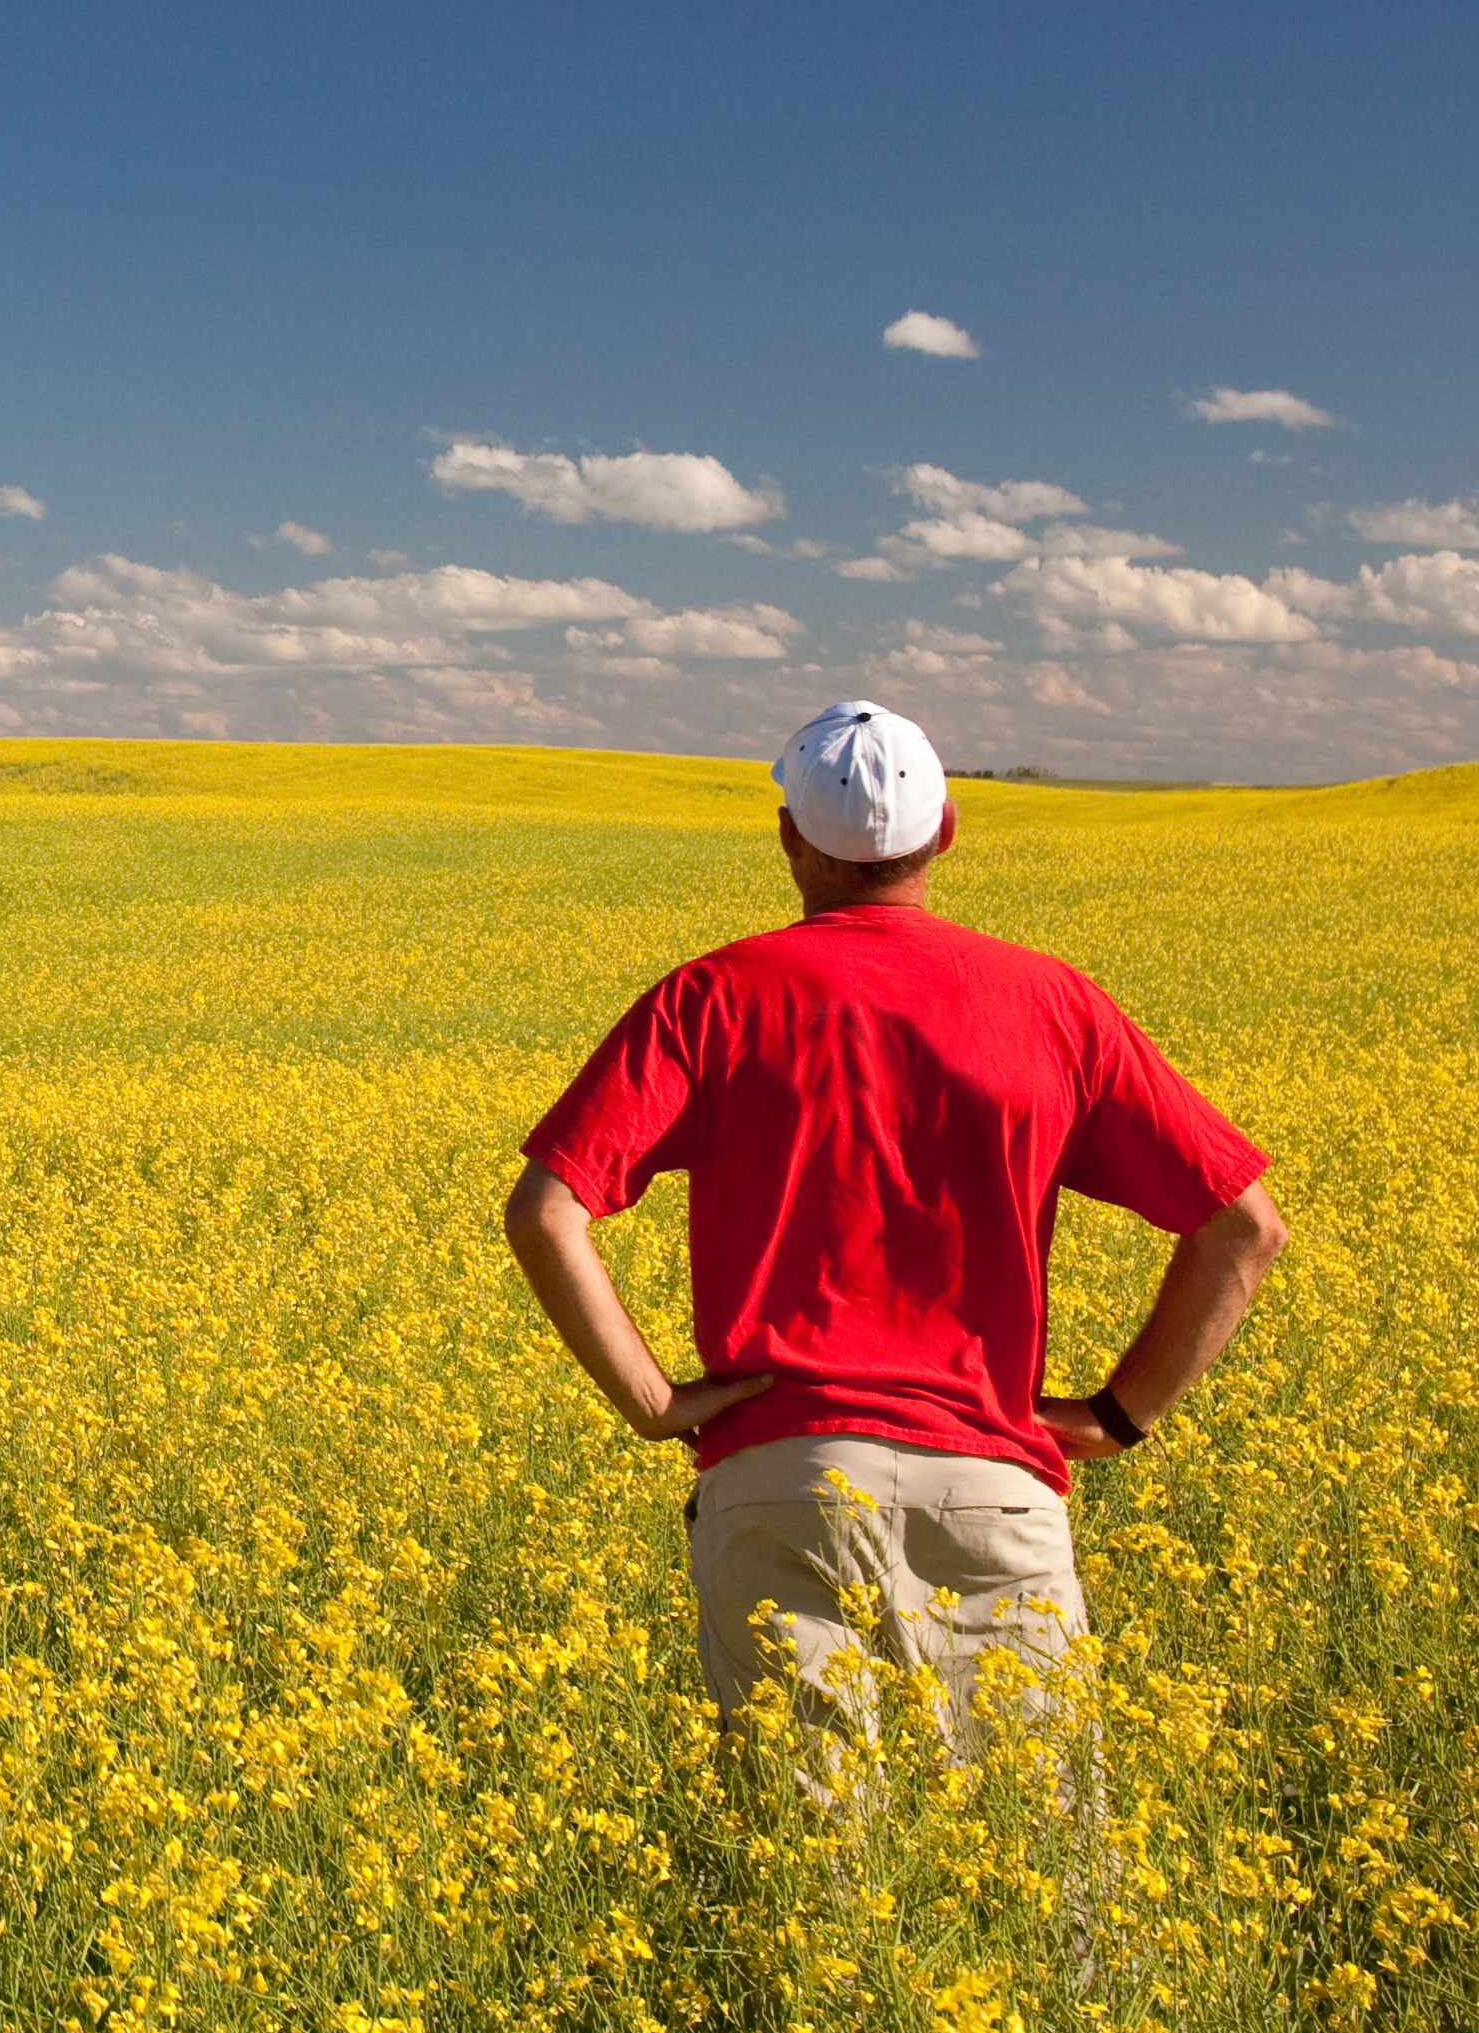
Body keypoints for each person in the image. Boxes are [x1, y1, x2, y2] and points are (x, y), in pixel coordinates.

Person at [504, 699, 1287, 1754]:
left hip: (784, 1481)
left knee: (811, 1849)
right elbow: (1244, 1229)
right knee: (1027, 1843)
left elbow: (546, 1211)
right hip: (991, 1489)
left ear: (790, 838)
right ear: (946, 830)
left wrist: (654, 1402)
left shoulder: (711, 999)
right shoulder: (1053, 1005)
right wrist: (1116, 1416)